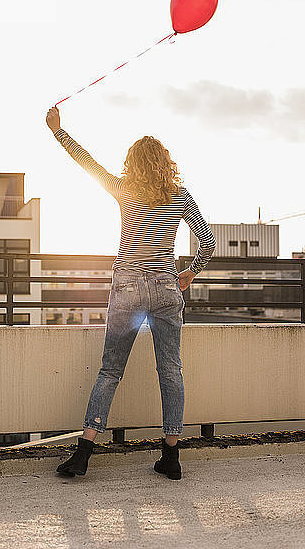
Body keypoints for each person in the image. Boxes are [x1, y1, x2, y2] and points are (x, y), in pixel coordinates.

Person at [45, 105, 216, 479]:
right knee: (170, 371)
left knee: (110, 370)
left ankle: (84, 453)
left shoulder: (124, 190)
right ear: (165, 163)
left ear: (133, 164)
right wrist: (189, 273)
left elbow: (87, 162)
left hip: (127, 287)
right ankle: (171, 458)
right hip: (167, 289)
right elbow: (208, 240)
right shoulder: (180, 196)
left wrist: (58, 131)